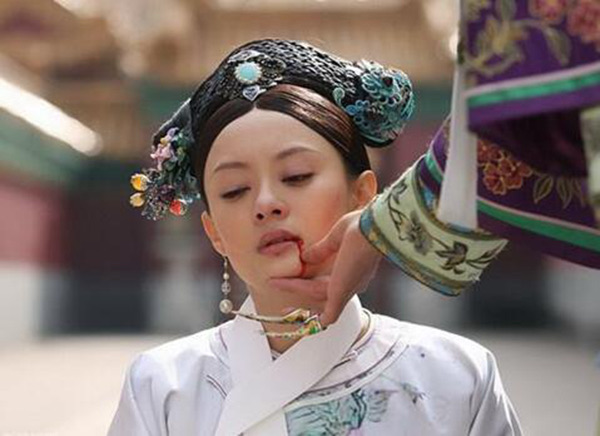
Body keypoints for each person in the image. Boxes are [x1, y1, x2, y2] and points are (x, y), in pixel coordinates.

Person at [110, 39, 521, 435]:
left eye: (297, 176)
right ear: (214, 231)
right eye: (235, 190)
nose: (266, 203)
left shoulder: (456, 377)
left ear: (364, 196)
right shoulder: (161, 387)